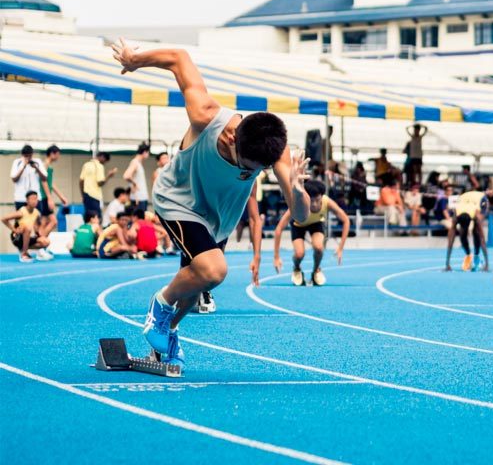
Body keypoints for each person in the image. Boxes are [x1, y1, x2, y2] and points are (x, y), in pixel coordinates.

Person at [112, 38, 311, 370]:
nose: (250, 173)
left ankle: (168, 331)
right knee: (214, 270)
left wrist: (296, 187)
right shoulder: (206, 116)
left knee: (195, 282)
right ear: (233, 137)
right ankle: (159, 304)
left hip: (216, 218)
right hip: (176, 199)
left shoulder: (275, 153)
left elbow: (301, 216)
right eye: (247, 166)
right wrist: (135, 59)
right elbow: (178, 56)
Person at [273, 180, 349, 286]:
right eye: (311, 200)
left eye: (317, 200)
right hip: (298, 225)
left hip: (316, 223)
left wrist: (340, 248)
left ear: (322, 196)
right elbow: (279, 229)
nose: (314, 204)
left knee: (319, 247)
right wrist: (276, 257)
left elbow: (346, 220)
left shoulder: (327, 202)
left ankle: (316, 270)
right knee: (299, 254)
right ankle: (297, 268)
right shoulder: (298, 203)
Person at [2, 191, 52, 262]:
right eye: (32, 199)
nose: (34, 201)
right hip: (17, 237)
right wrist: (14, 230)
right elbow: (3, 219)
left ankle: (30, 250)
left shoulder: (36, 212)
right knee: (27, 227)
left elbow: (37, 228)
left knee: (46, 241)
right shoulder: (21, 212)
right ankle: (24, 254)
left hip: (28, 237)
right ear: (27, 200)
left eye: (36, 199)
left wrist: (40, 235)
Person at [445, 190, 489, 272]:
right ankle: (468, 255)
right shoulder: (456, 214)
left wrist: (487, 265)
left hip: (480, 199)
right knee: (462, 234)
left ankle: (476, 256)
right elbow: (450, 241)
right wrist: (447, 264)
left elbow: (482, 239)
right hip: (464, 198)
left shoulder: (476, 215)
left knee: (476, 231)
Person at [39, 145, 68, 237]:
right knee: (53, 221)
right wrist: (49, 198)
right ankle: (41, 241)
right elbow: (43, 182)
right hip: (43, 197)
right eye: (58, 154)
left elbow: (50, 183)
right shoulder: (45, 165)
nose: (58, 157)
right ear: (52, 154)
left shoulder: (48, 166)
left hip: (45, 196)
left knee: (44, 222)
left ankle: (41, 244)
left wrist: (61, 196)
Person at [80, 151, 118, 219]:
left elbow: (81, 181)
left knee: (88, 218)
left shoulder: (86, 164)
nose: (104, 163)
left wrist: (83, 195)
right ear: (102, 157)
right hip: (95, 196)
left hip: (86, 195)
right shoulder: (100, 166)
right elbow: (100, 183)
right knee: (97, 218)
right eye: (105, 161)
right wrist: (109, 176)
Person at [10, 144, 48, 211]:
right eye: (26, 156)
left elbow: (45, 178)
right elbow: (14, 179)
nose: (28, 158)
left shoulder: (37, 162)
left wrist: (36, 168)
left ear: (32, 154)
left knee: (37, 220)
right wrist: (23, 167)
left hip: (35, 199)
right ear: (22, 155)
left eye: (29, 156)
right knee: (21, 220)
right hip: (21, 198)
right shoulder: (17, 162)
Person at [124, 143, 151, 210]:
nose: (148, 155)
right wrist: (134, 183)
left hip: (141, 196)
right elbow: (126, 176)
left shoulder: (138, 163)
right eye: (148, 153)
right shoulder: (135, 162)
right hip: (138, 197)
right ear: (145, 152)